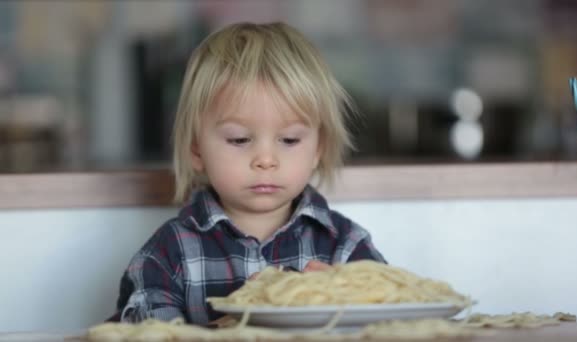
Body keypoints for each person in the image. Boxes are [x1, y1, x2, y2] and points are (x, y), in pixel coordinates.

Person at [113, 21, 385, 325]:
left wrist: (352, 300)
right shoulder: (167, 254)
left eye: (290, 140)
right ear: (196, 150)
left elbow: (395, 324)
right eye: (240, 140)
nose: (266, 160)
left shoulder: (346, 246)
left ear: (318, 149)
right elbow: (144, 332)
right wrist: (233, 323)